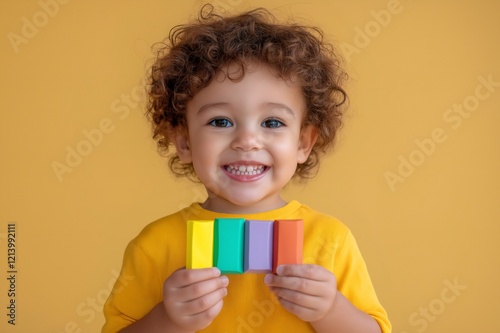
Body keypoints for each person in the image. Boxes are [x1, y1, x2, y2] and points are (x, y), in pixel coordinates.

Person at [102, 5, 391, 333]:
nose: (247, 140)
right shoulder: (155, 245)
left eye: (272, 121)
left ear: (303, 143)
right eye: (220, 121)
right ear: (184, 141)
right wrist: (167, 320)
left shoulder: (330, 240)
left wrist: (330, 310)